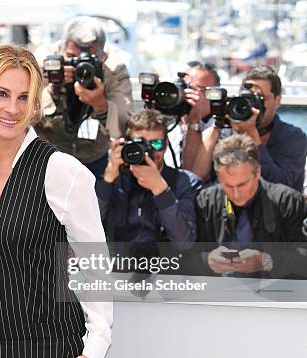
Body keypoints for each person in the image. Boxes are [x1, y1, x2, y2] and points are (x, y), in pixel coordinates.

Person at [0, 44, 112, 358]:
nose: (12, 108)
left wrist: (95, 352)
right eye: (2, 94)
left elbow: (95, 265)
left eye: (24, 97)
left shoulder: (61, 172)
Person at [35, 16, 133, 178]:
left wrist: (101, 105)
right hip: (51, 155)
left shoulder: (114, 70)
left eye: (89, 60)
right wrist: (52, 90)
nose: (80, 66)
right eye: (72, 57)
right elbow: (24, 113)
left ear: (103, 56)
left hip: (94, 159)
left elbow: (124, 127)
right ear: (61, 48)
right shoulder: (45, 61)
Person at [196, 134, 305, 278]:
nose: (236, 193)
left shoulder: (288, 201)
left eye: (242, 184)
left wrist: (266, 261)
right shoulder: (206, 201)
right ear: (218, 177)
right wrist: (207, 260)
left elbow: (303, 258)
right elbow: (183, 254)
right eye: (227, 185)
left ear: (258, 172)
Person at [96, 109, 201, 253]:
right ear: (127, 146)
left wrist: (161, 191)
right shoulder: (114, 180)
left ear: (166, 145)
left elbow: (184, 242)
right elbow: (88, 230)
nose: (148, 153)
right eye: (140, 145)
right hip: (117, 268)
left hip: (165, 268)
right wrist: (108, 180)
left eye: (156, 144)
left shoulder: (186, 182)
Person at [186, 65, 307, 190]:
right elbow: (197, 176)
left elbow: (281, 187)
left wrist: (252, 135)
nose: (253, 105)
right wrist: (217, 124)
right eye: (247, 99)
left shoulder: (293, 137)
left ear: (277, 101)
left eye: (260, 99)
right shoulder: (227, 131)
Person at [167, 61, 221, 170]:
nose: (188, 93)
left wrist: (194, 122)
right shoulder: (169, 124)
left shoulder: (219, 128)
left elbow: (195, 175)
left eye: (198, 90)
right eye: (186, 87)